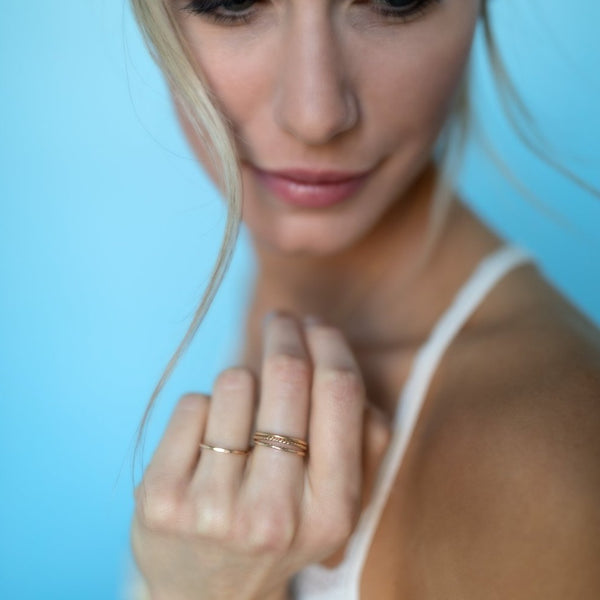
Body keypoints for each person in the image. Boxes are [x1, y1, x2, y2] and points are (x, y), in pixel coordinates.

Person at [125, 1, 600, 598]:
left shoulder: (550, 475)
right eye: (233, 2)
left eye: (395, 0)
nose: (316, 115)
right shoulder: (271, 304)